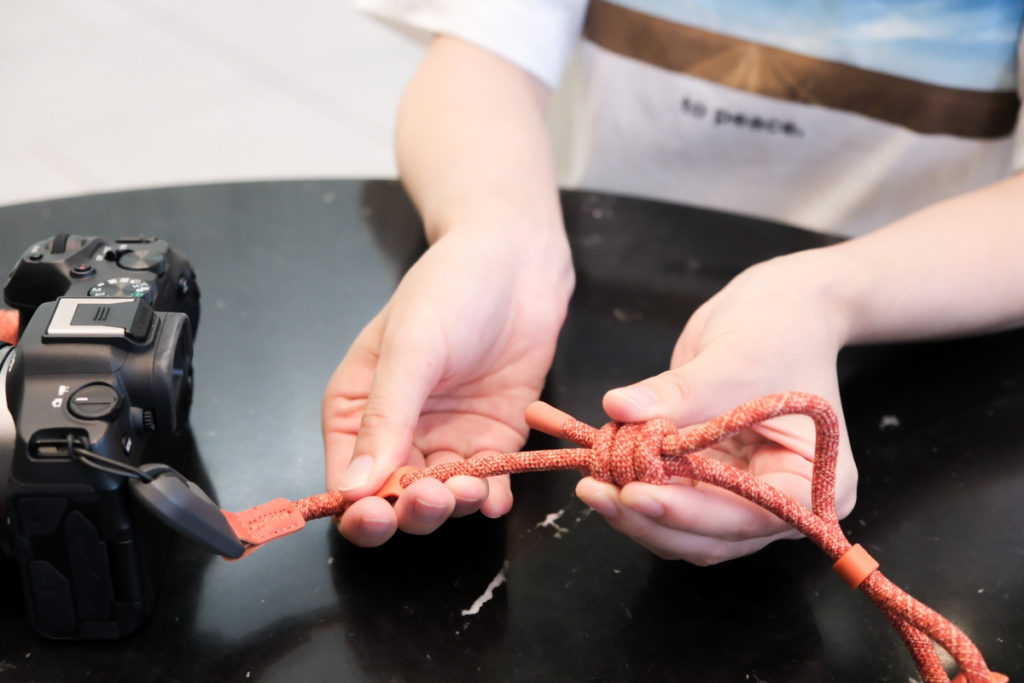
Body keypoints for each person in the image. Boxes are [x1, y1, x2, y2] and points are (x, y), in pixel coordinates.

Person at [322, 1, 1024, 564]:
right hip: (572, 330)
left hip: (921, 343)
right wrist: (500, 233)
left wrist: (826, 296)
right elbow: (483, 59)